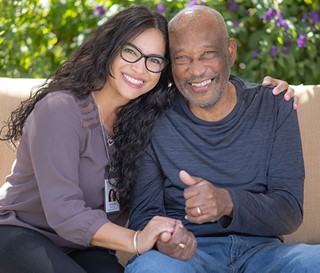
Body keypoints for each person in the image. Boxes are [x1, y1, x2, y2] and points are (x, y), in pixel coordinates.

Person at [0, 4, 295, 273]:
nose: (140, 68)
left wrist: (271, 95)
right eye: (131, 52)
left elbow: (206, 80)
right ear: (109, 49)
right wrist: (139, 240)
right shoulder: (61, 109)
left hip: (80, 244)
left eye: (154, 60)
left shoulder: (140, 119)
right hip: (21, 233)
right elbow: (64, 213)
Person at [124, 5, 320, 273]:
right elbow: (143, 217)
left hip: (265, 253)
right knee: (152, 269)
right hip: (189, 256)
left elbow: (289, 213)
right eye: (182, 58)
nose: (196, 71)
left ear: (230, 51)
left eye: (207, 54)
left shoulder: (274, 106)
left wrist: (227, 202)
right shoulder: (152, 118)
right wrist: (167, 240)